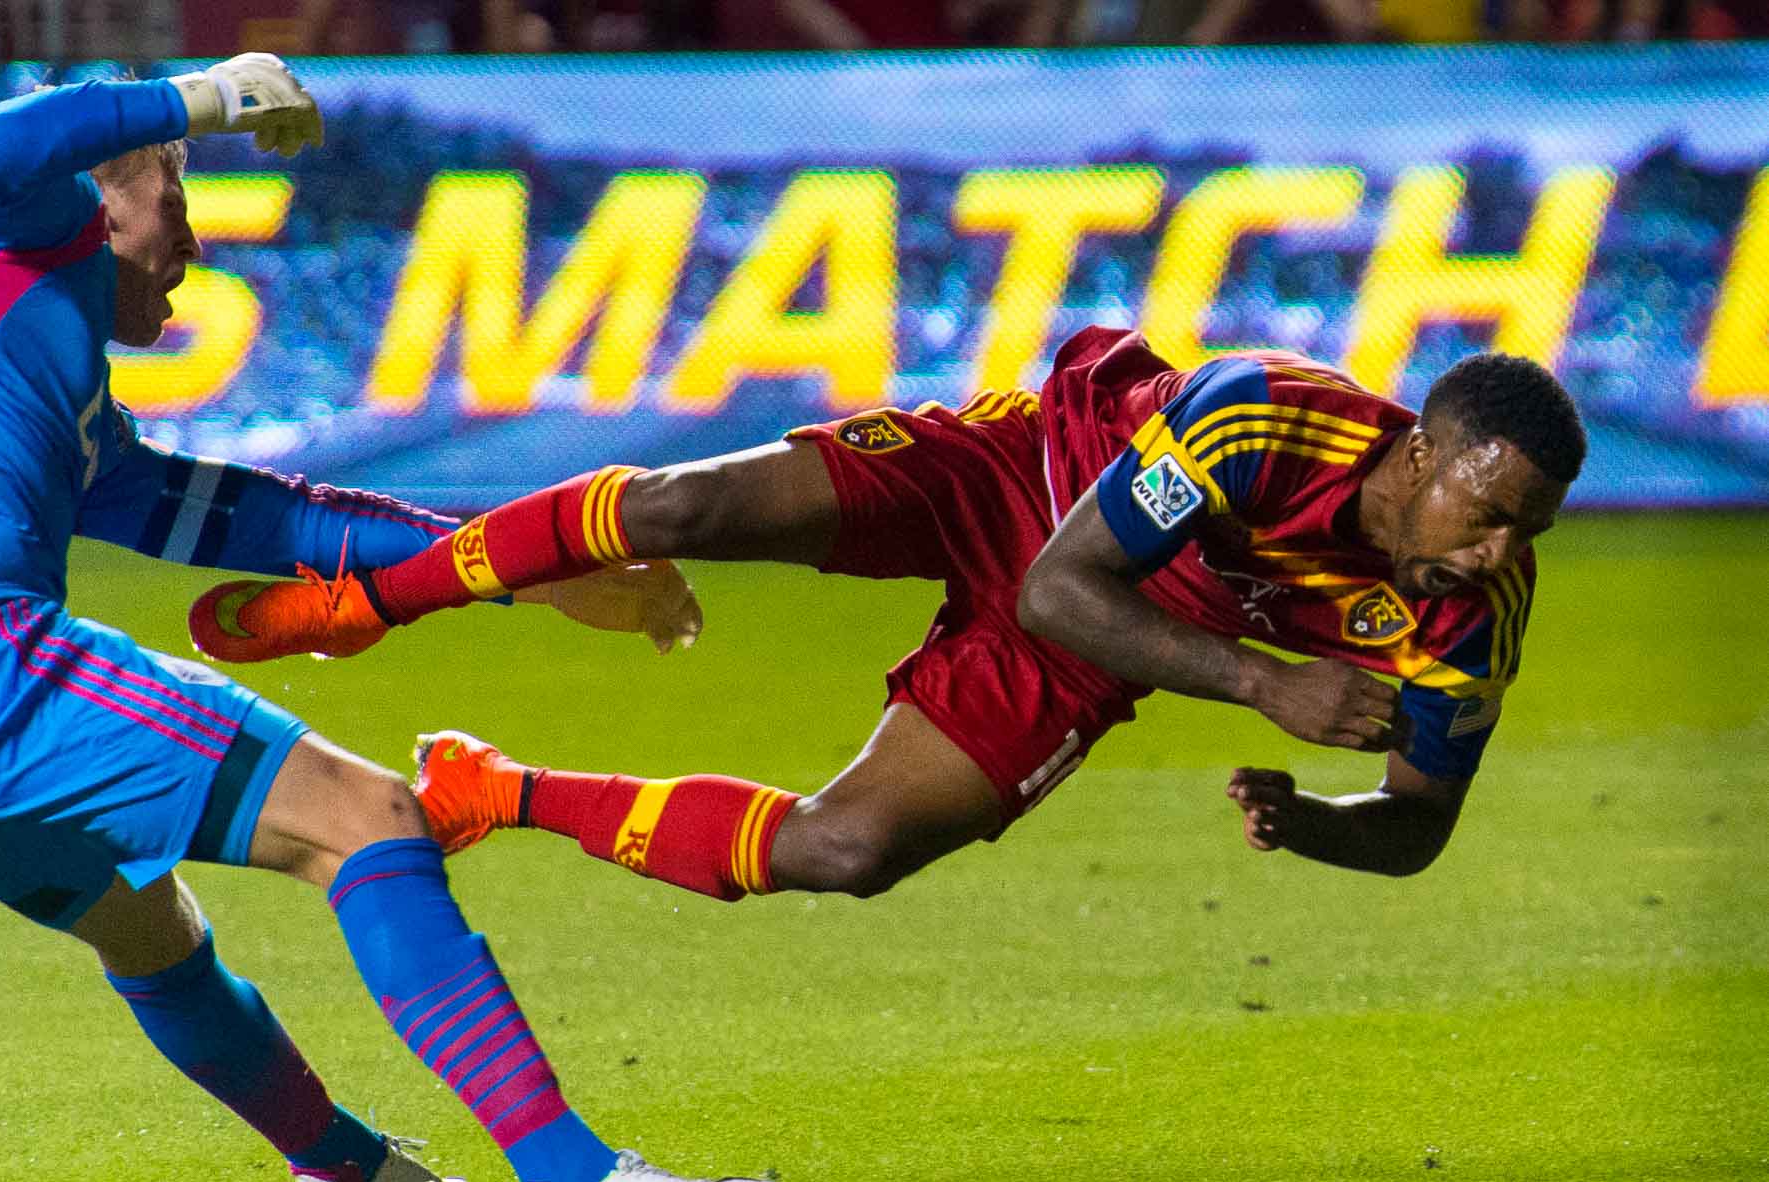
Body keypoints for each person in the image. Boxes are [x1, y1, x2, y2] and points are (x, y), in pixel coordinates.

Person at [0, 54, 780, 1182]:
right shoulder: (22, 230)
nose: (193, 242)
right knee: (368, 816)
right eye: (178, 196)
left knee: (147, 928)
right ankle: (572, 1180)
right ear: (101, 196)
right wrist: (212, 95)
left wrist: (532, 570)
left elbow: (271, 518)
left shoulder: (47, 370)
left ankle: (343, 1165)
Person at [195, 326, 1581, 907]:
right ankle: (364, 600)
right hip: (1032, 485)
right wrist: (1263, 685)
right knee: (681, 512)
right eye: (1486, 507)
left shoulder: (1469, 624)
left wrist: (1318, 824)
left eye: (1529, 525)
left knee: (847, 851)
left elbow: (1417, 827)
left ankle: (491, 791)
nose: (1500, 546)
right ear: (1415, 455)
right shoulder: (1263, 419)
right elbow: (1056, 579)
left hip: (1091, 635)